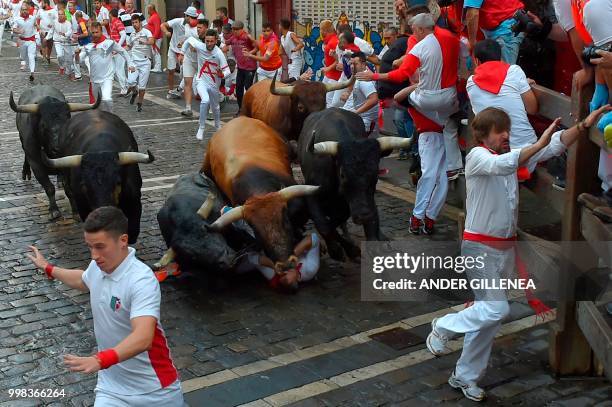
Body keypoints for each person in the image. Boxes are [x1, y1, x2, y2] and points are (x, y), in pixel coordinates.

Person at [426, 104, 611, 402]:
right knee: (496, 310)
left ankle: (465, 376)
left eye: (507, 130)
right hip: (479, 248)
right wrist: (537, 145)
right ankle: (443, 326)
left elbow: (550, 148)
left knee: (488, 318)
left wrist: (583, 126)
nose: (506, 136)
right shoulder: (477, 157)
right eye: (501, 132)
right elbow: (511, 161)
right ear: (484, 135)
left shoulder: (508, 157)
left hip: (503, 250)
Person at [26, 206, 184, 406]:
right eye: (90, 247)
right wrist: (48, 268)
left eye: (100, 247)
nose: (94, 255)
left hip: (155, 391)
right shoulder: (99, 266)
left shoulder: (141, 280)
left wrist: (100, 360)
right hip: (111, 389)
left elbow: (143, 338)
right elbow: (83, 280)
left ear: (123, 241)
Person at [357, 13, 460, 235]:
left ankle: (429, 217)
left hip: (444, 131)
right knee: (432, 175)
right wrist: (415, 84)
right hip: (430, 135)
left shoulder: (424, 75)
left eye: (418, 72)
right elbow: (399, 96)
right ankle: (418, 216)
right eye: (415, 73)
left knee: (441, 177)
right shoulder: (413, 93)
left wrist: (415, 79)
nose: (416, 75)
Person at [467, 39, 539, 175]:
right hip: (527, 153)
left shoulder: (470, 84)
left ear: (476, 61)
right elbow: (532, 108)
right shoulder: (515, 71)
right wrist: (523, 84)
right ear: (500, 57)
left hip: (495, 155)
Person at [182, 28, 230, 139]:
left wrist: (222, 75)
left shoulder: (219, 53)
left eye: (211, 41)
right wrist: (182, 53)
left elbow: (227, 70)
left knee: (216, 107)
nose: (208, 44)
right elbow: (189, 39)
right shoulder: (200, 46)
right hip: (201, 80)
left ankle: (218, 126)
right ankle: (201, 127)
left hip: (214, 83)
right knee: (205, 100)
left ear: (216, 40)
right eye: (207, 41)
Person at [76, 21, 134, 112]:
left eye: (97, 32)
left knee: (107, 99)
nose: (95, 34)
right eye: (93, 32)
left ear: (101, 31)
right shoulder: (88, 46)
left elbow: (123, 51)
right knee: (96, 104)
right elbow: (79, 61)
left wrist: (130, 64)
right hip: (94, 80)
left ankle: (111, 116)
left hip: (107, 78)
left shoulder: (110, 43)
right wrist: (76, 55)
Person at [343, 52, 379, 136]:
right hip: (358, 119)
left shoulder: (363, 80)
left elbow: (374, 99)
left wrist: (355, 113)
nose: (352, 66)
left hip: (360, 123)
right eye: (351, 63)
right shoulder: (362, 75)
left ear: (363, 64)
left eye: (355, 64)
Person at [222, 20, 256, 110]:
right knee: (239, 89)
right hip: (240, 67)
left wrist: (250, 53)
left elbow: (258, 47)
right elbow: (226, 43)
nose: (235, 31)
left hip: (250, 67)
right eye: (233, 29)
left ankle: (251, 108)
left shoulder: (247, 37)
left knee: (248, 88)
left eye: (237, 29)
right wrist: (224, 46)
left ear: (242, 29)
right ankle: (241, 109)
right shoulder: (233, 38)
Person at [126, 13, 153, 112]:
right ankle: (134, 91)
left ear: (140, 22)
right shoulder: (132, 35)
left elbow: (152, 41)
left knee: (142, 86)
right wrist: (118, 50)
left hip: (145, 62)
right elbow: (128, 46)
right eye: (132, 23)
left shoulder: (146, 32)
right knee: (130, 81)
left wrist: (145, 42)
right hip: (134, 62)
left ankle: (139, 103)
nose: (134, 24)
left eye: (136, 22)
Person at [161, 7, 190, 99]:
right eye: (188, 16)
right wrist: (166, 32)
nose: (189, 18)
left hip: (184, 51)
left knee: (184, 73)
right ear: (185, 15)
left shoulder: (193, 26)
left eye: (192, 17)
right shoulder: (177, 21)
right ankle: (170, 90)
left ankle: (180, 90)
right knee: (171, 70)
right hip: (173, 49)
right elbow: (162, 25)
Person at [177, 6, 199, 117]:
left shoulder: (199, 27)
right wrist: (182, 45)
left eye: (185, 15)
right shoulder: (185, 25)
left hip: (200, 59)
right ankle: (188, 108)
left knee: (205, 85)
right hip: (189, 59)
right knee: (187, 82)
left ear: (189, 16)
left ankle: (216, 102)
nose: (184, 17)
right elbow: (187, 39)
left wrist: (197, 48)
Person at [12, 3, 36, 81]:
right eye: (23, 10)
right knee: (23, 57)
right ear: (21, 11)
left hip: (31, 40)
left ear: (28, 10)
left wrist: (40, 31)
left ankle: (32, 73)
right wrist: (19, 31)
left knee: (31, 56)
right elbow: (14, 29)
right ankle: (24, 62)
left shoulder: (32, 18)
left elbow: (36, 25)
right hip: (22, 41)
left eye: (26, 9)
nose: (24, 11)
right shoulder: (17, 19)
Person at [320, 19, 341, 106]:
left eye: (320, 29)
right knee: (323, 96)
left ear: (325, 30)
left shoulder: (333, 42)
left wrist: (328, 68)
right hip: (330, 74)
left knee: (329, 100)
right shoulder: (330, 41)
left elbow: (340, 59)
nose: (320, 31)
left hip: (335, 76)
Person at [47, 9, 73, 77]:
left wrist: (65, 34)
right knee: (59, 55)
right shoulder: (54, 22)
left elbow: (70, 31)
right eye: (59, 14)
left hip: (66, 41)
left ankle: (68, 72)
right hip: (57, 41)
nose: (60, 16)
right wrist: (46, 38)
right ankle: (61, 67)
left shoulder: (68, 23)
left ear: (64, 15)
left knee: (68, 58)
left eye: (62, 14)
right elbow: (51, 30)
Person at [109, 8, 128, 96]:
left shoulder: (117, 22)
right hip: (114, 50)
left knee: (119, 70)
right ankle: (127, 85)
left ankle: (124, 89)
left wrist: (118, 47)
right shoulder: (112, 23)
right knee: (113, 71)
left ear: (111, 15)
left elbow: (123, 35)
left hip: (119, 50)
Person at [146, 3, 162, 72]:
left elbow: (157, 28)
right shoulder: (153, 16)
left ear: (151, 9)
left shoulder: (155, 17)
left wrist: (154, 38)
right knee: (154, 52)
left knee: (156, 53)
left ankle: (158, 67)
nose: (147, 11)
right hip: (154, 38)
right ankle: (156, 66)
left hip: (156, 38)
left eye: (148, 10)